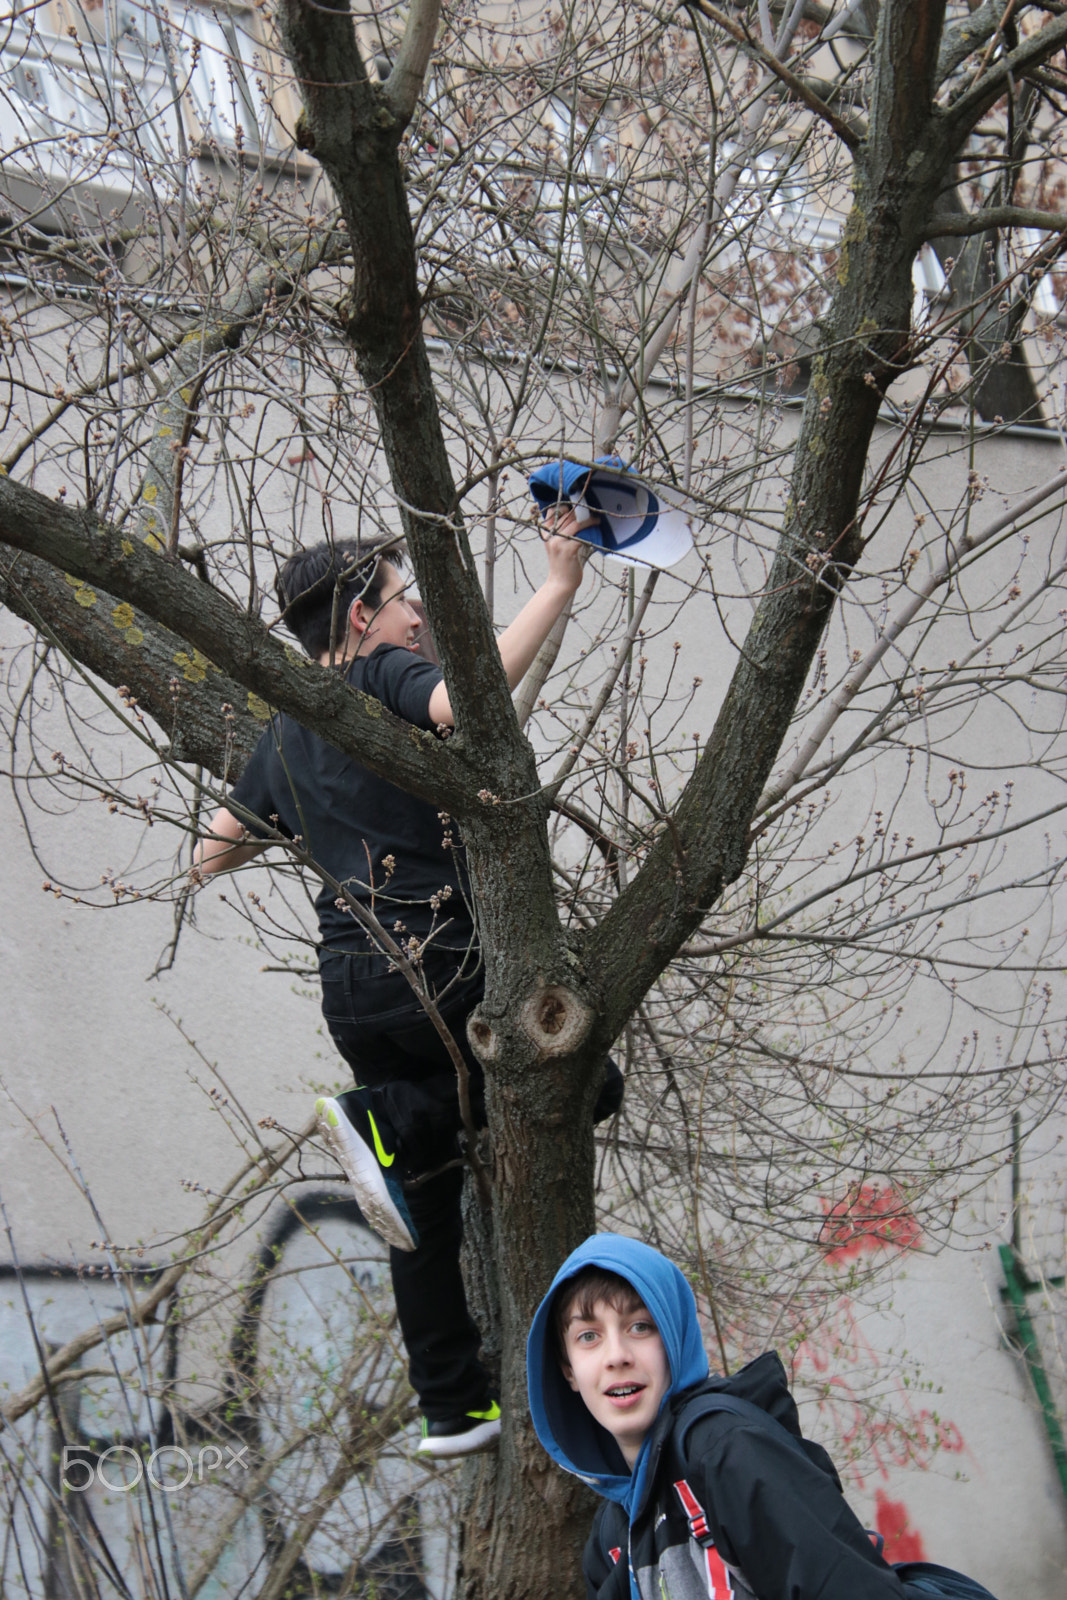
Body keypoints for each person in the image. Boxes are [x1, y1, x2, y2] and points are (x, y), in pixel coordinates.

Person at [195, 524, 622, 1459]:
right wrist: (557, 583)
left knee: (422, 1203)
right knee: (593, 1077)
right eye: (404, 597)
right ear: (360, 616)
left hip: (347, 985)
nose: (420, 614)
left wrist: (307, 803)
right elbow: (458, 699)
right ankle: (386, 1115)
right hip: (433, 965)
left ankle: (450, 1409)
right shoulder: (374, 676)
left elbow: (211, 852)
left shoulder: (287, 726)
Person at [527, 1233, 989, 1600]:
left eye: (640, 1326)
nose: (616, 1356)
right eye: (589, 1336)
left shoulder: (726, 1450)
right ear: (567, 1370)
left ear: (675, 1340)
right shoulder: (612, 1538)